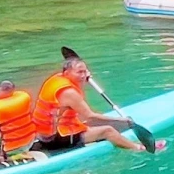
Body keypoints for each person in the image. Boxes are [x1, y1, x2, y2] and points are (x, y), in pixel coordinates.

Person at [30, 57, 162, 155]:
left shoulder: (57, 78)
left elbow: (75, 96)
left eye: (85, 71)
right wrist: (123, 120)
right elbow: (91, 116)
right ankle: (139, 149)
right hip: (55, 139)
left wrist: (82, 78)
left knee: (87, 122)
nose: (83, 76)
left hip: (42, 133)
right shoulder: (69, 93)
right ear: (67, 73)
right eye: (79, 72)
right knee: (107, 130)